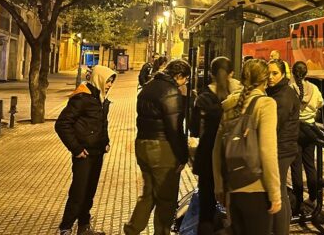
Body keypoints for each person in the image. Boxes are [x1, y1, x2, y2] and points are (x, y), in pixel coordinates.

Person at [212, 59, 281, 235]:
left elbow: (217, 151)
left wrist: (219, 186)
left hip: (233, 188)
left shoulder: (230, 104)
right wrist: (275, 194)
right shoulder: (266, 104)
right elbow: (268, 152)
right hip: (256, 188)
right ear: (265, 80)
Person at [124, 59, 192, 235]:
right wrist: (183, 156)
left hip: (142, 145)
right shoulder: (171, 92)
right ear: (178, 76)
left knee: (149, 193)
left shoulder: (149, 86)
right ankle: (162, 232)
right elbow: (175, 129)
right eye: (185, 79)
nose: (185, 83)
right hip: (162, 149)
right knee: (166, 197)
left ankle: (132, 229)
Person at [55, 65, 117, 235]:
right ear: (99, 79)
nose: (109, 85)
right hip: (84, 154)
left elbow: (101, 125)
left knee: (89, 192)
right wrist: (76, 148)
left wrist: (105, 142)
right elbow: (62, 124)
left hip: (97, 153)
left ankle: (83, 227)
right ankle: (66, 228)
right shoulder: (82, 98)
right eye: (108, 81)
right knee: (78, 193)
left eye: (111, 82)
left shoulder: (100, 99)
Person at [192, 57, 242, 235]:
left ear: (211, 74)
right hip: (231, 154)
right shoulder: (238, 98)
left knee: (206, 207)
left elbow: (194, 130)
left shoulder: (203, 97)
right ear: (232, 74)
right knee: (232, 206)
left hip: (207, 156)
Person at [266, 59, 300, 235]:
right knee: (280, 192)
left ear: (283, 75)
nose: (270, 77)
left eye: (275, 73)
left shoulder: (282, 96)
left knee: (277, 192)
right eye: (268, 73)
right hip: (284, 148)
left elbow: (274, 125)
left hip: (282, 149)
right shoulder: (277, 92)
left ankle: (280, 231)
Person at [289, 61, 324, 216]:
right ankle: (313, 197)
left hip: (295, 129)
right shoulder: (314, 88)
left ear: (293, 72)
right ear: (306, 73)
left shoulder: (290, 89)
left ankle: (298, 203)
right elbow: (321, 103)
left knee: (296, 167)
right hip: (310, 130)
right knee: (310, 165)